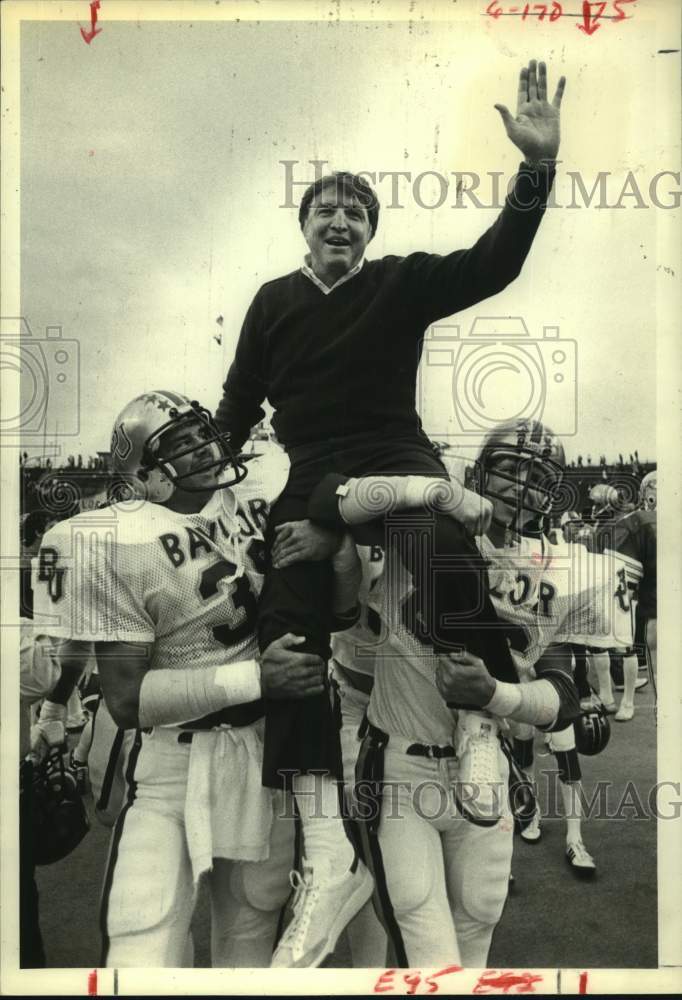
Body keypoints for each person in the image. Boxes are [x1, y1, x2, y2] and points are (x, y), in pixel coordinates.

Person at [215, 59, 566, 966]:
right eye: (326, 210)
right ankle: (327, 847)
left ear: (371, 232)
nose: (341, 221)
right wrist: (193, 470)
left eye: (357, 213)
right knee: (287, 629)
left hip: (394, 456)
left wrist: (537, 168)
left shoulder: (399, 282)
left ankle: (480, 721)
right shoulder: (271, 302)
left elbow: (494, 263)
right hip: (312, 473)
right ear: (303, 224)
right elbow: (238, 403)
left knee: (441, 538)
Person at [32, 390, 364, 968]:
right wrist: (257, 678)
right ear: (148, 474)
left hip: (263, 750)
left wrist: (337, 549)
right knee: (141, 938)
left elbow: (339, 613)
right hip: (172, 761)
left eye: (203, 434)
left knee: (251, 930)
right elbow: (128, 700)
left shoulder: (261, 494)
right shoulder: (110, 540)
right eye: (182, 445)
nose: (208, 449)